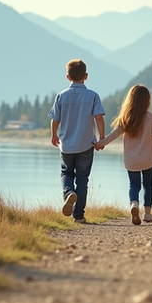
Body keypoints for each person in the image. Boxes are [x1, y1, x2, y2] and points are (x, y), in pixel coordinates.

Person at [94, 85, 152, 225]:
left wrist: (101, 143)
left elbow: (113, 135)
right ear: (147, 100)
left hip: (132, 159)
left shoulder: (125, 118)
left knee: (134, 185)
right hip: (148, 158)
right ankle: (147, 213)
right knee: (148, 185)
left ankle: (134, 204)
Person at [49, 59, 105, 224]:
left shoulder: (61, 96)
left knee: (66, 173)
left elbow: (55, 119)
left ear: (68, 77)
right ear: (86, 76)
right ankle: (78, 215)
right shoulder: (93, 96)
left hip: (66, 145)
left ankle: (68, 193)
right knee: (82, 179)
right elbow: (99, 118)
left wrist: (54, 135)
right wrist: (102, 138)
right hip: (86, 144)